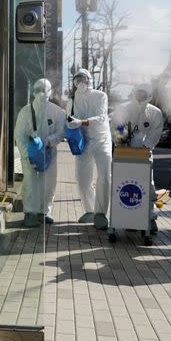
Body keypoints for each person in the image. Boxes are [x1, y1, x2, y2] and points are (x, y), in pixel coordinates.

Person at [14, 78, 66, 227]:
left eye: (45, 90)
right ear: (33, 92)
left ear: (50, 92)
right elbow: (19, 135)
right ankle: (30, 212)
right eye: (38, 90)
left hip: (49, 153)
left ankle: (44, 212)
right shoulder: (25, 112)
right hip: (29, 154)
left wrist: (50, 141)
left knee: (49, 183)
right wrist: (27, 154)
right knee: (30, 182)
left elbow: (61, 132)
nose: (42, 93)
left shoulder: (57, 112)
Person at [113, 84, 164, 233]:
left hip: (144, 155)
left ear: (148, 95)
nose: (140, 96)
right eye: (138, 93)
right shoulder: (123, 109)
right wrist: (119, 140)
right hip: (124, 154)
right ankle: (127, 217)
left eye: (144, 94)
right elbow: (114, 127)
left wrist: (145, 146)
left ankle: (150, 218)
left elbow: (156, 132)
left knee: (148, 186)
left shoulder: (155, 112)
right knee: (124, 185)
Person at [66, 68, 112, 230]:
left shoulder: (100, 96)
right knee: (82, 179)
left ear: (89, 79)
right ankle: (90, 209)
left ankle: (101, 213)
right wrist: (70, 124)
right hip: (83, 143)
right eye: (77, 79)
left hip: (101, 141)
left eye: (83, 78)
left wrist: (81, 122)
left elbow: (101, 118)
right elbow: (68, 118)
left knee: (104, 177)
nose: (80, 82)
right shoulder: (72, 100)